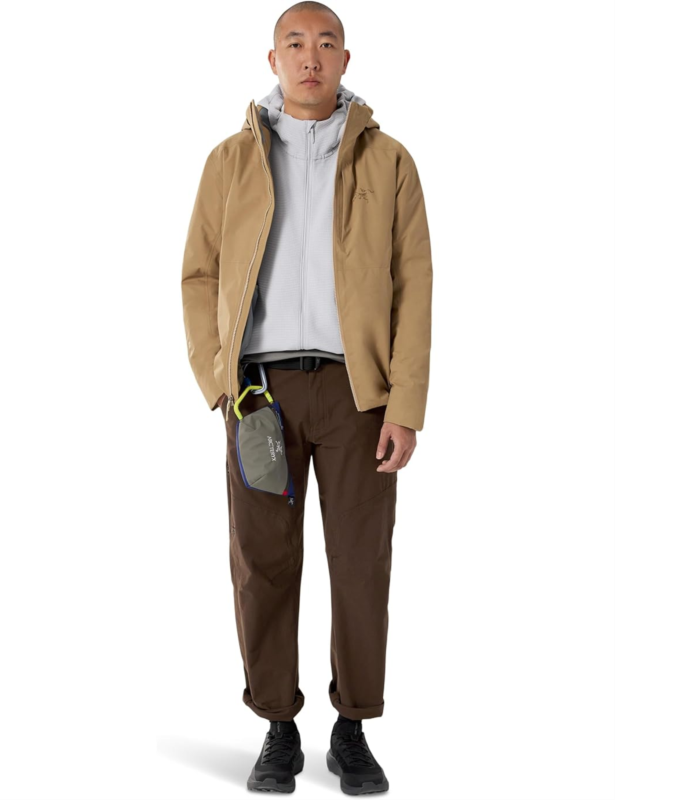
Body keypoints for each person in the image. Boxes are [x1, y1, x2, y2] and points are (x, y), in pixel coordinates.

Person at [180, 2, 433, 793]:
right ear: (273, 59)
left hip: (360, 396)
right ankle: (278, 726)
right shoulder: (230, 161)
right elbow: (199, 275)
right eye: (295, 43)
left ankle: (352, 727)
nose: (310, 57)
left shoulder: (389, 161)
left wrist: (405, 405)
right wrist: (219, 382)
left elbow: (414, 286)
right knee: (262, 564)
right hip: (260, 396)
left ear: (346, 60)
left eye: (326, 44)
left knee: (361, 566)